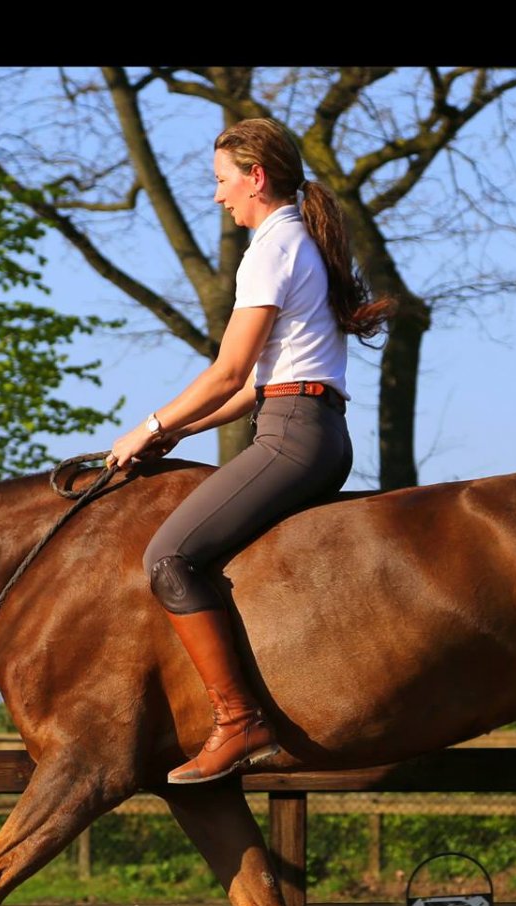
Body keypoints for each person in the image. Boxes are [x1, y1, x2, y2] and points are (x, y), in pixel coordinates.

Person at [107, 118, 393, 784]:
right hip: (305, 423)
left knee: (168, 557)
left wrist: (147, 426)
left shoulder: (270, 248)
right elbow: (256, 387)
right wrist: (178, 435)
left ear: (255, 177)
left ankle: (239, 721)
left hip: (294, 434)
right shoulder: (297, 241)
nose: (217, 196)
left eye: (221, 181)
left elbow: (228, 372)